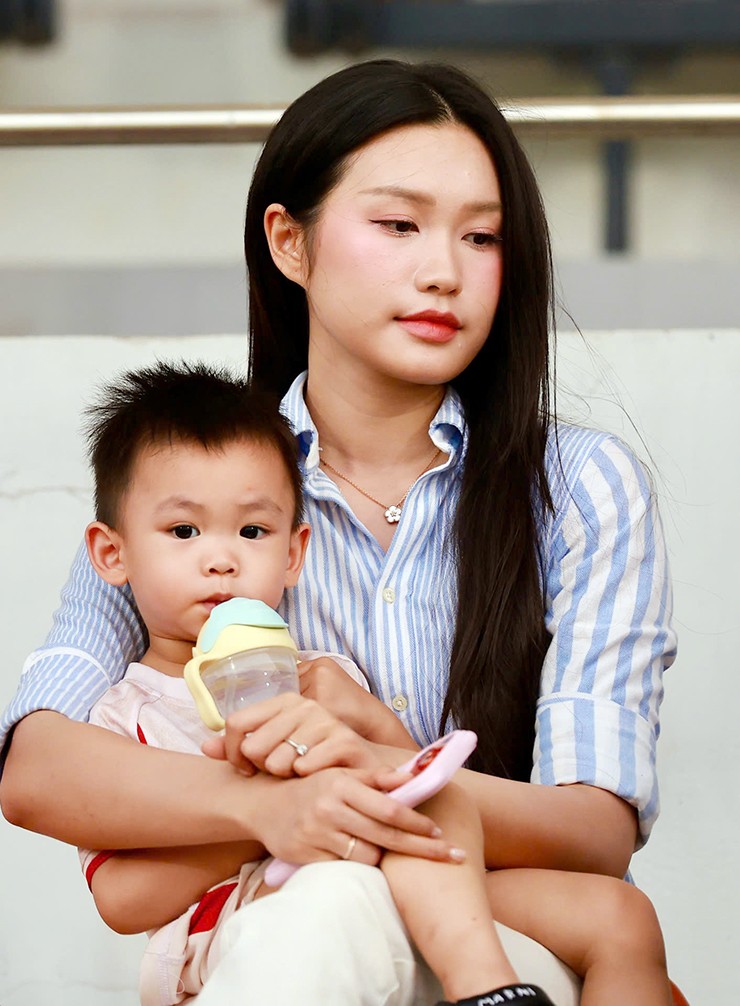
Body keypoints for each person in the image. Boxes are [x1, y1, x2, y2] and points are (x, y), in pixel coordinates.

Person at [0, 59, 677, 1006]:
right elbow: (37, 769)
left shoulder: (580, 486)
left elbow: (595, 829)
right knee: (325, 905)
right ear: (290, 242)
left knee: (341, 906)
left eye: (481, 236)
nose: (443, 271)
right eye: (399, 225)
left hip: (508, 936)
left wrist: (375, 770)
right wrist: (277, 805)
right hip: (284, 925)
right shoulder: (196, 497)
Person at [79, 360, 670, 1006]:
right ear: (113, 553)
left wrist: (374, 739)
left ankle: (490, 991)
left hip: (388, 878)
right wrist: (276, 812)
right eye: (183, 531)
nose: (221, 558)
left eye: (253, 531)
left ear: (293, 553)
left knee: (619, 915)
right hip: (247, 917)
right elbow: (121, 900)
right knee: (344, 895)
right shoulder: (121, 719)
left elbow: (415, 793)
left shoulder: (325, 677)